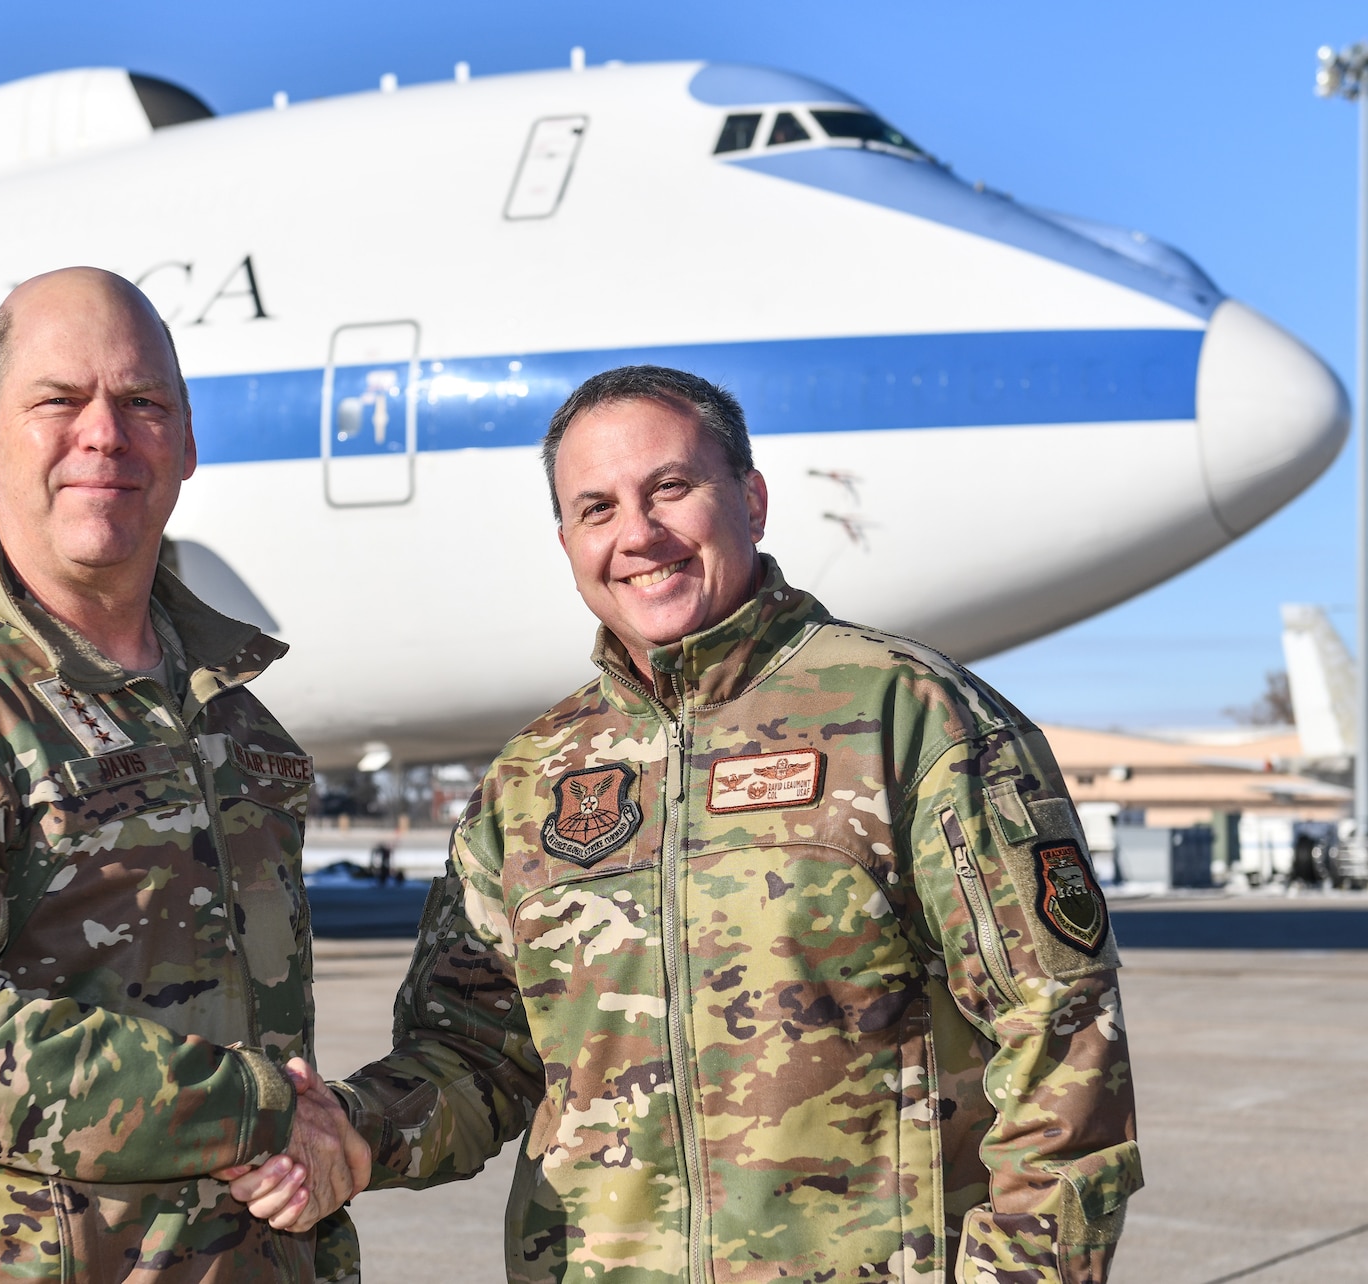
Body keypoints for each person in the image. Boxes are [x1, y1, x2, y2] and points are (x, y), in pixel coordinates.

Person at [236, 365, 1140, 1283]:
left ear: (749, 497)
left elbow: (1060, 1038)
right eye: (598, 508)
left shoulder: (911, 719)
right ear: (567, 541)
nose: (639, 533)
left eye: (670, 488)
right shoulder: (532, 778)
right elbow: (476, 1055)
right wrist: (355, 1130)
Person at [0, 267, 367, 1283]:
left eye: (141, 404)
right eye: (60, 401)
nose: (104, 435)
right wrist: (263, 1107)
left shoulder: (226, 712)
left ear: (184, 443)